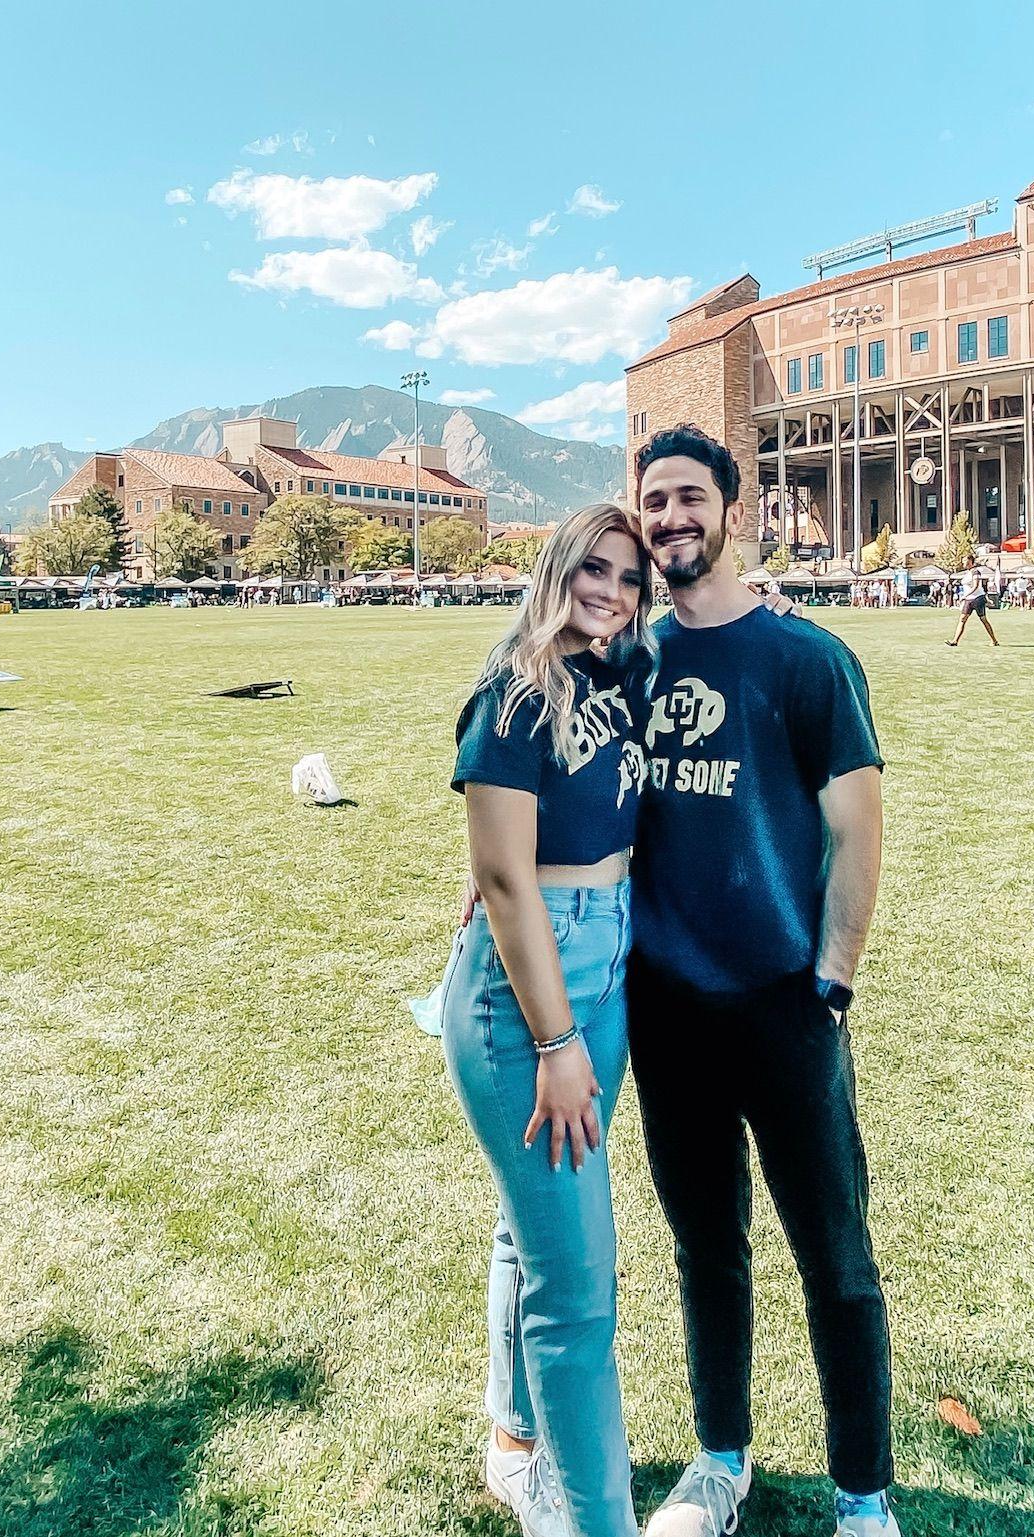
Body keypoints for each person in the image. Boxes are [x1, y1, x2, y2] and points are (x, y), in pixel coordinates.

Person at [629, 425, 901, 1537]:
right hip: (665, 1011)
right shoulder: (628, 657)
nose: (671, 517)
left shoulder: (805, 659)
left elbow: (857, 830)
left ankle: (862, 1494)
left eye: (689, 496)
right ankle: (719, 1461)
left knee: (834, 1255)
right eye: (654, 500)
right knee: (706, 1251)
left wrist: (828, 984)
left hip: (786, 1007)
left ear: (729, 511)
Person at [441, 502, 654, 1537]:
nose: (609, 590)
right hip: (528, 997)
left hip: (604, 960)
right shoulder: (514, 691)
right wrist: (555, 1042)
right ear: (558, 568)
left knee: (529, 1236)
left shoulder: (614, 675)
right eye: (592, 568)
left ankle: (516, 1445)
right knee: (576, 1289)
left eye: (628, 576)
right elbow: (502, 877)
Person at [946, 565, 998, 647]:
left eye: (965, 560)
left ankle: (994, 640)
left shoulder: (975, 572)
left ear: (970, 561)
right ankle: (955, 641)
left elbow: (976, 586)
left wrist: (965, 595)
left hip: (977, 598)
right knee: (962, 619)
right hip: (968, 599)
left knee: (983, 619)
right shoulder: (968, 573)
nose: (964, 563)